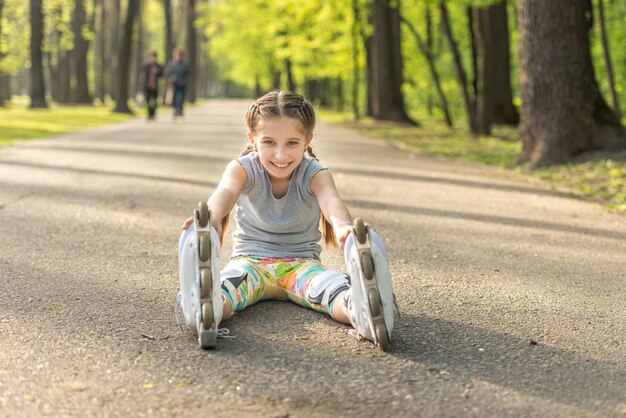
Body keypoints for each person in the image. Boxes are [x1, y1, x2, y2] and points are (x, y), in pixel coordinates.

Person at [177, 91, 396, 350]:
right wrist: (211, 218)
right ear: (253, 139)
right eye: (269, 142)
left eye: (292, 143)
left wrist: (344, 228)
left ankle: (359, 308)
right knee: (228, 289)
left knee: (329, 289)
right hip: (250, 263)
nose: (280, 155)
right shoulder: (243, 169)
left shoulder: (315, 173)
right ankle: (206, 307)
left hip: (301, 266)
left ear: (307, 140)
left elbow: (331, 203)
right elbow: (224, 193)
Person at [164, 48, 190, 121]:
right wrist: (171, 79)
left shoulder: (185, 64)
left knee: (181, 98)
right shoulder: (172, 64)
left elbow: (187, 74)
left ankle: (180, 111)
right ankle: (175, 111)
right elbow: (167, 73)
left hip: (182, 85)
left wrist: (184, 81)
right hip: (173, 84)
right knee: (174, 98)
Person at [139, 50, 163, 120]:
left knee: (154, 101)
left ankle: (153, 114)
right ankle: (149, 114)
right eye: (151, 57)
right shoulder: (146, 66)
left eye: (153, 57)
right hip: (147, 86)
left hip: (155, 86)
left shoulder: (158, 66)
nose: (152, 58)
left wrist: (157, 72)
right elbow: (142, 76)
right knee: (148, 100)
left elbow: (162, 74)